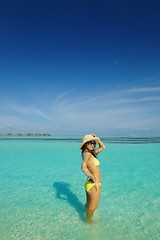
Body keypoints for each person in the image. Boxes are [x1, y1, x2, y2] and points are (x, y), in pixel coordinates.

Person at [80, 134, 105, 223]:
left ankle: (86, 215)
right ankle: (88, 222)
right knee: (92, 208)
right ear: (85, 144)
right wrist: (92, 176)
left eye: (93, 143)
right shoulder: (86, 154)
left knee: (88, 205)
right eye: (89, 143)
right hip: (93, 184)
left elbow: (103, 147)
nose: (92, 145)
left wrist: (97, 139)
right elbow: (83, 167)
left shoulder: (91, 153)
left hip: (91, 184)